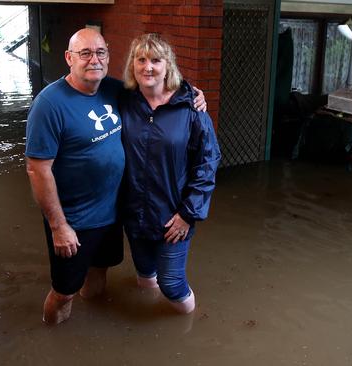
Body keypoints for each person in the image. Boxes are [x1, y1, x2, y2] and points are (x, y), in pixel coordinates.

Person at [25, 28, 206, 325]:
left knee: (99, 272)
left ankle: (95, 319)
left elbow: (159, 84)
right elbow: (37, 169)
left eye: (100, 52)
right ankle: (52, 334)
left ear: (109, 57)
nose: (93, 60)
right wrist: (59, 226)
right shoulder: (49, 104)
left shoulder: (115, 90)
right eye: (85, 53)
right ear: (69, 58)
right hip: (74, 220)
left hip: (112, 215)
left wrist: (193, 93)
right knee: (64, 291)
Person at [120, 34, 221, 314]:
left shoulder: (191, 107)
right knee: (144, 274)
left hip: (174, 215)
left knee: (172, 284)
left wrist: (189, 214)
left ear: (169, 66)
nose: (148, 67)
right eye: (141, 60)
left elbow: (208, 162)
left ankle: (191, 328)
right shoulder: (125, 101)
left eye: (156, 60)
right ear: (133, 65)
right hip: (135, 212)